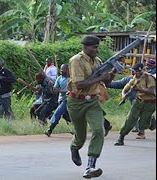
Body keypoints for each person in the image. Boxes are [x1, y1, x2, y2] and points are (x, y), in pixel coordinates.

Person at [67, 35, 115, 178]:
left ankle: (90, 166)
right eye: (94, 47)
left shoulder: (98, 61)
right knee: (80, 136)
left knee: (98, 130)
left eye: (97, 47)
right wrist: (101, 77)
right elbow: (79, 84)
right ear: (85, 47)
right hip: (76, 102)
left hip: (93, 101)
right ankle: (74, 147)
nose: (96, 50)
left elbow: (108, 83)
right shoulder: (76, 61)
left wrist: (113, 73)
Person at [114, 63, 156, 146]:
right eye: (135, 71)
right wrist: (124, 96)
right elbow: (126, 89)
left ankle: (151, 122)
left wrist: (139, 89)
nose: (135, 73)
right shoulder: (134, 78)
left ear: (142, 70)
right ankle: (121, 138)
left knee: (143, 124)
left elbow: (152, 91)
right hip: (138, 101)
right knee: (130, 119)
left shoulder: (149, 78)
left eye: (137, 71)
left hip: (150, 103)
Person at [45, 64, 71, 137]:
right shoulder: (59, 78)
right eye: (61, 69)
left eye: (63, 70)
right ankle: (75, 127)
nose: (61, 71)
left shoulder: (71, 79)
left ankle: (50, 129)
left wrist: (59, 91)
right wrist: (51, 87)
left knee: (57, 113)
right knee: (66, 116)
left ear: (68, 70)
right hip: (60, 100)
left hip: (68, 100)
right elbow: (55, 90)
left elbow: (70, 91)